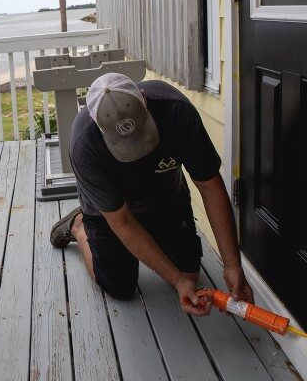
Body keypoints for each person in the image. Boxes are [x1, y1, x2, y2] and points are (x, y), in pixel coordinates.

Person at [50, 72, 254, 316]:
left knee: (190, 274)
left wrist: (232, 265)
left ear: (144, 100)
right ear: (96, 123)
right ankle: (78, 225)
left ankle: (157, 238)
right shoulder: (85, 143)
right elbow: (122, 221)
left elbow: (210, 187)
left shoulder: (177, 112)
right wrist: (177, 281)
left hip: (165, 194)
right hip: (113, 210)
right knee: (119, 286)